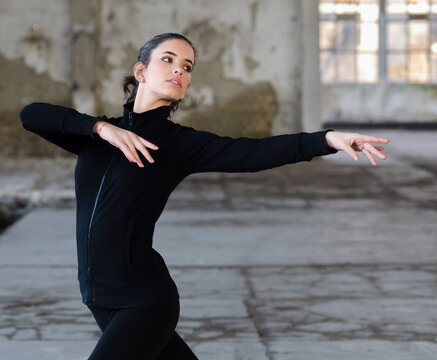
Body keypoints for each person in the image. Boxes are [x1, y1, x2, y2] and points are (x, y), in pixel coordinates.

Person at [20, 32, 389, 360]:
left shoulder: (178, 144)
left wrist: (326, 139)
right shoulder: (96, 137)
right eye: (168, 59)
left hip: (144, 300)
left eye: (187, 66)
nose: (179, 70)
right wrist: (100, 129)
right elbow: (31, 114)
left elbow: (255, 153)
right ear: (141, 71)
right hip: (98, 297)